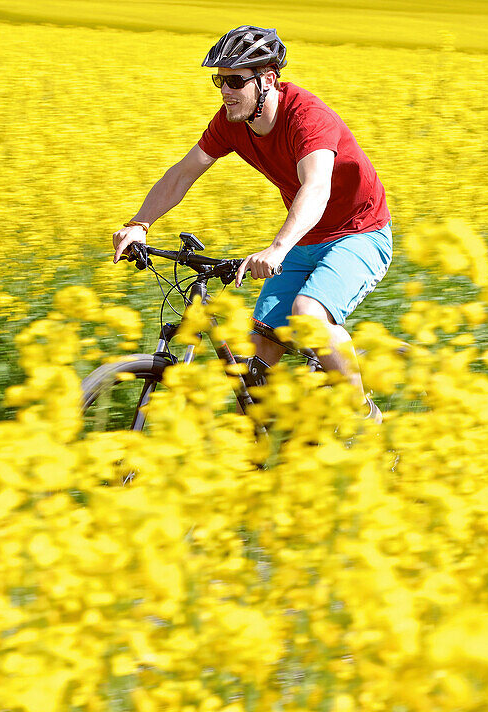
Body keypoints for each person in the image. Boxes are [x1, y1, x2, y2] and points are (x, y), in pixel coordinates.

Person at [112, 25, 392, 420]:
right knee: (259, 351)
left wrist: (277, 248)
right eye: (219, 80)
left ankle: (366, 420)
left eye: (235, 80)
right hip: (304, 240)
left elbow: (316, 189)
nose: (225, 90)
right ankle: (275, 451)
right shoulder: (232, 121)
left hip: (359, 232)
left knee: (309, 315)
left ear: (268, 80)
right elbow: (183, 173)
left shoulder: (307, 118)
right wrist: (140, 224)